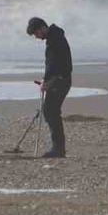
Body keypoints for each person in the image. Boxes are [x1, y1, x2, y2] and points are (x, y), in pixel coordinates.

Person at [27, 17, 72, 158]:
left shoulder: (54, 40)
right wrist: (46, 80)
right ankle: (58, 148)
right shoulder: (55, 37)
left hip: (60, 80)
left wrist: (48, 81)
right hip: (59, 79)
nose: (37, 37)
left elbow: (55, 65)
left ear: (42, 28)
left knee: (50, 111)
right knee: (51, 111)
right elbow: (53, 65)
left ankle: (58, 149)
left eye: (36, 33)